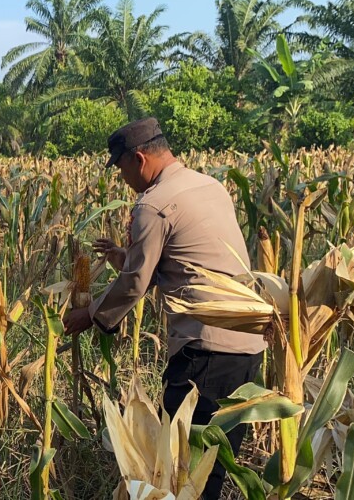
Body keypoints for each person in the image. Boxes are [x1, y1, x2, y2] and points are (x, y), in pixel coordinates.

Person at [62, 117, 266, 500]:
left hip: (205, 352)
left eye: (121, 168)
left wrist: (90, 315)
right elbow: (189, 260)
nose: (122, 178)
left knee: (185, 472)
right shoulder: (210, 186)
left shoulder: (153, 205)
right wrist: (126, 255)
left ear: (139, 159)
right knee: (215, 468)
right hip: (247, 347)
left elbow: (137, 283)